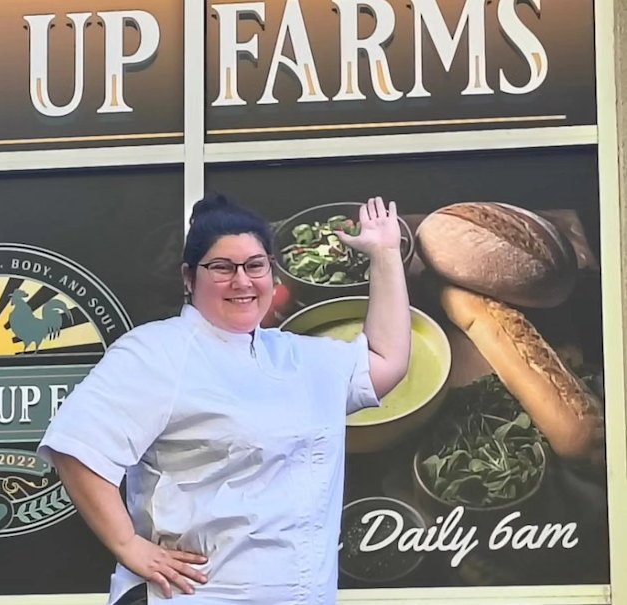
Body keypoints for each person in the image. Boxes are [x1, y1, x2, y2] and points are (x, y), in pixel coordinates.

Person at [37, 193, 411, 605]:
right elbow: (77, 445)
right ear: (188, 277)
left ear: (272, 272)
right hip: (196, 595)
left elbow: (386, 360)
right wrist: (128, 545)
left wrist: (385, 255)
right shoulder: (158, 351)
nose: (242, 281)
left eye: (255, 265)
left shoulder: (298, 357)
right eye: (222, 267)